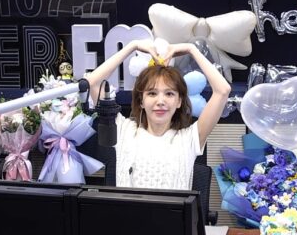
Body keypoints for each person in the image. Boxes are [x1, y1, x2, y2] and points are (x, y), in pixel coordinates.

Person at [87, 38, 230, 189]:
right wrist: (132, 46)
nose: (160, 101)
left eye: (169, 94)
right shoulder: (124, 130)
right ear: (141, 101)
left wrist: (191, 49)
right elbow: (93, 82)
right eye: (152, 93)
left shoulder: (189, 139)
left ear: (179, 101)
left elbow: (223, 90)